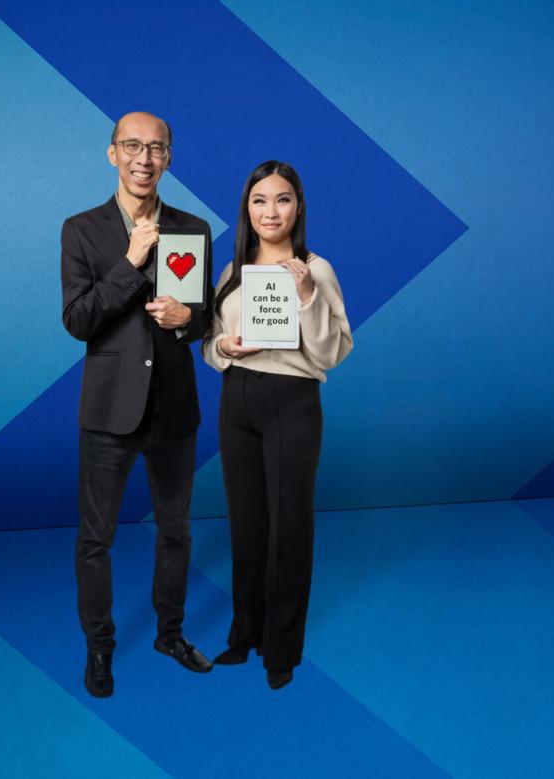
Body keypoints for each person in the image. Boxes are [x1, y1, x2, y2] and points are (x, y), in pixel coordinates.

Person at [60, 111, 214, 698]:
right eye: (132, 146)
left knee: (176, 532)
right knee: (95, 539)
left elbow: (201, 317)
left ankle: (169, 633)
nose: (143, 158)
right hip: (109, 412)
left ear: (169, 157)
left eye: (155, 148)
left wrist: (189, 319)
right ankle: (99, 649)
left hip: (174, 409)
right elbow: (78, 321)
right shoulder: (81, 229)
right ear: (112, 153)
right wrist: (129, 261)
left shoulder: (193, 227)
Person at [203, 160, 352, 690]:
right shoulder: (232, 272)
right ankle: (244, 634)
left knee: (288, 527)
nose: (271, 211)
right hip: (237, 397)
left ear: (298, 206)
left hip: (293, 398)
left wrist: (308, 295)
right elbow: (211, 343)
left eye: (282, 199)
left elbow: (333, 352)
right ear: (247, 208)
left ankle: (281, 648)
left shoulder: (317, 268)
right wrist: (224, 347)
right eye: (260, 200)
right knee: (246, 526)